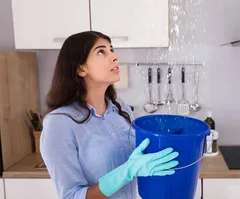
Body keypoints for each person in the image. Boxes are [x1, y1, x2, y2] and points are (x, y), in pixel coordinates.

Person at [40, 31, 180, 199]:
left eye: (111, 49)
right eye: (101, 51)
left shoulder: (121, 110)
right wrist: (126, 172)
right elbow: (72, 196)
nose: (115, 57)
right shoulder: (59, 123)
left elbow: (137, 163)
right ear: (81, 69)